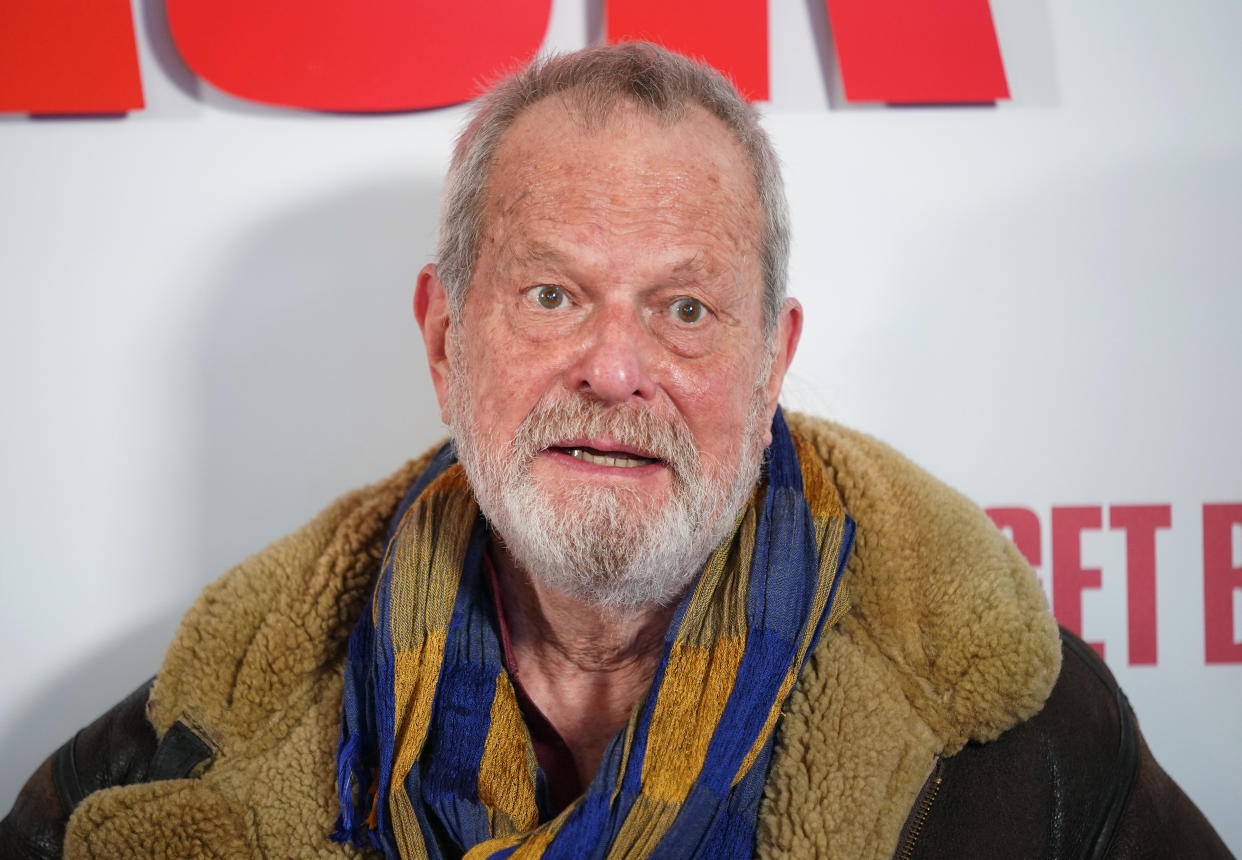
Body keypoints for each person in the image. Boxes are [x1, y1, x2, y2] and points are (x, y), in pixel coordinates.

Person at [1, 41, 1231, 860]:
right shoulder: (214, 723)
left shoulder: (1013, 724)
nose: (615, 365)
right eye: (551, 294)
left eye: (685, 308)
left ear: (771, 362)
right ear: (442, 334)